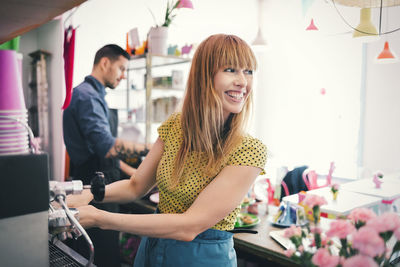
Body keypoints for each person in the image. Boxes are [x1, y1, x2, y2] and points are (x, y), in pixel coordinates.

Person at [67, 34, 267, 267]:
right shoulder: (175, 126)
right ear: (204, 75)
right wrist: (92, 193)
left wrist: (100, 217)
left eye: (249, 71)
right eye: (231, 69)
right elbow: (135, 186)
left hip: (201, 258)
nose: (243, 81)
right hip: (153, 249)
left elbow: (189, 226)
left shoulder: (249, 150)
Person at [63, 44, 147, 267]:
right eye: (121, 68)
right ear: (105, 63)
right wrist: (150, 148)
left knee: (106, 249)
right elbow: (107, 147)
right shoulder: (87, 97)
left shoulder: (94, 95)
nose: (123, 76)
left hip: (102, 177)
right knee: (101, 255)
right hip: (94, 182)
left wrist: (134, 173)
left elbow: (108, 156)